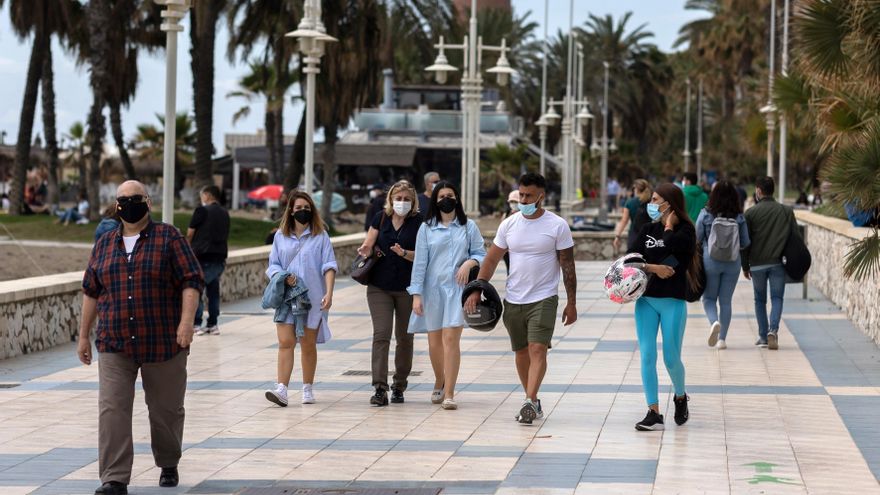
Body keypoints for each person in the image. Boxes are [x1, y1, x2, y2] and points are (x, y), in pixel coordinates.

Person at [77, 180, 204, 495]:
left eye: (135, 198)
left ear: (148, 202)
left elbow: (192, 281)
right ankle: (114, 479)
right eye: (123, 199)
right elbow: (91, 292)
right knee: (112, 409)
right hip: (114, 342)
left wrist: (186, 324)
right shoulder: (104, 243)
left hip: (163, 341)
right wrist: (82, 336)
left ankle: (168, 461)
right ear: (116, 204)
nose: (129, 203)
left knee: (166, 411)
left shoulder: (169, 237)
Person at [465, 173, 578, 425]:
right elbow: (492, 259)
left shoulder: (557, 225)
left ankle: (529, 400)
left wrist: (571, 302)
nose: (523, 200)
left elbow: (567, 265)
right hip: (514, 299)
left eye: (528, 195)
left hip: (545, 297)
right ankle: (533, 400)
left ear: (541, 196)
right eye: (521, 195)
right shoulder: (509, 224)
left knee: (538, 348)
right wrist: (476, 288)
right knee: (521, 352)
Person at [408, 180, 485, 410]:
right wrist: (416, 294)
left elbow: (482, 252)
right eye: (441, 196)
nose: (445, 199)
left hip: (457, 291)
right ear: (435, 200)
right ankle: (439, 380)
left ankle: (450, 393)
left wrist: (470, 262)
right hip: (432, 292)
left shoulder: (468, 226)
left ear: (457, 198)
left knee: (451, 340)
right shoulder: (427, 228)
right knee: (434, 344)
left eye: (449, 195)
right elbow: (420, 263)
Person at [628, 183, 697, 431]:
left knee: (671, 357)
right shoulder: (647, 229)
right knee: (647, 355)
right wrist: (652, 268)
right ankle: (653, 411)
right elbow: (631, 258)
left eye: (656, 200)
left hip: (673, 302)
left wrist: (668, 227)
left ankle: (680, 396)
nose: (652, 203)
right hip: (646, 300)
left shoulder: (687, 231)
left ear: (669, 203)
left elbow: (676, 256)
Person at [265, 191, 338, 406]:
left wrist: (329, 293)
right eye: (298, 208)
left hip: (313, 298)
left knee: (307, 344)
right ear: (290, 210)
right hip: (287, 298)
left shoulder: (321, 236)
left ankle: (307, 387)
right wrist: (282, 277)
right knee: (285, 342)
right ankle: (282, 389)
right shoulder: (280, 236)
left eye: (306, 208)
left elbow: (329, 265)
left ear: (312, 210)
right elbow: (273, 265)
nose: (302, 212)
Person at [357, 180, 421, 406]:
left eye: (406, 199)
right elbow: (369, 242)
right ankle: (379, 388)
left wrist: (404, 253)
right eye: (398, 198)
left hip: (407, 288)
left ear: (412, 202)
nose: (401, 203)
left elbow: (423, 257)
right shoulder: (381, 218)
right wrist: (366, 249)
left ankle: (399, 384)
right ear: (391, 199)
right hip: (379, 287)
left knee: (404, 339)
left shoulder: (419, 223)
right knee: (381, 335)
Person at [741, 176, 800, 350]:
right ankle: (773, 330)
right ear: (773, 190)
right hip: (777, 263)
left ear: (758, 191)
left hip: (757, 265)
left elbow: (744, 243)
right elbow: (795, 237)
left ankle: (763, 336)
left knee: (760, 300)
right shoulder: (786, 211)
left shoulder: (750, 213)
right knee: (777, 298)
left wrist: (745, 266)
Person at [695, 180, 751, 350]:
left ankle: (714, 322)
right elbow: (745, 242)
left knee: (709, 299)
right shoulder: (739, 217)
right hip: (733, 262)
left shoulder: (705, 214)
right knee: (726, 301)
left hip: (710, 260)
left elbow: (697, 238)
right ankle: (722, 340)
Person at [187, 185, 230, 336]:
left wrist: (187, 248)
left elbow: (190, 232)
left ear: (207, 195)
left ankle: (196, 323)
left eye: (202, 195)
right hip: (219, 257)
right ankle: (213, 324)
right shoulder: (225, 213)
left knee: (197, 289)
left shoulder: (202, 210)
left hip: (202, 256)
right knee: (213, 292)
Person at [613, 179, 653, 253]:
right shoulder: (651, 202)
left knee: (633, 261)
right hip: (649, 236)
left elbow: (624, 221)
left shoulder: (630, 203)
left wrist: (617, 236)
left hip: (634, 236)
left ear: (636, 189)